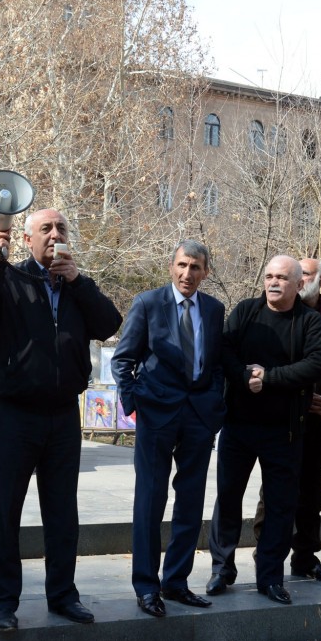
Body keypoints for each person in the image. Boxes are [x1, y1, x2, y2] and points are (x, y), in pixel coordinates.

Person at [0, 208, 122, 631]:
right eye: (45, 229)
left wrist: (78, 282)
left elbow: (109, 323)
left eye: (61, 228)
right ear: (28, 239)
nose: (54, 235)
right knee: (3, 509)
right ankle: (0, 602)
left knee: (63, 513)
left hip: (64, 414)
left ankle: (63, 595)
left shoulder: (76, 287)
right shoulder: (10, 280)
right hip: (16, 413)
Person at [205, 255, 321, 605]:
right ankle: (222, 569)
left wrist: (269, 378)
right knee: (228, 499)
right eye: (269, 276)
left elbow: (317, 364)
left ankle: (270, 577)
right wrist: (245, 377)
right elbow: (224, 351)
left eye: (282, 278)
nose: (273, 283)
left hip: (284, 432)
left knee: (280, 506)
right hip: (239, 426)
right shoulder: (245, 311)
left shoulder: (310, 322)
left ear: (299, 284)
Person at [112, 240, 226, 618]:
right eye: (181, 265)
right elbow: (123, 359)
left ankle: (176, 582)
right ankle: (146, 586)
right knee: (150, 501)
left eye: (195, 267)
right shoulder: (148, 303)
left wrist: (215, 406)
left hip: (198, 417)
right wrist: (135, 404)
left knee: (191, 502)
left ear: (206, 272)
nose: (187, 273)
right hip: (156, 414)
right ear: (171, 266)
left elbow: (216, 363)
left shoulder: (214, 309)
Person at [250, 258, 321, 584]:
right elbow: (277, 364)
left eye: (306, 273)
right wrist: (305, 398)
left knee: (313, 493)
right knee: (275, 492)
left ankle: (305, 558)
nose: (299, 278)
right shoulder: (281, 313)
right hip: (287, 417)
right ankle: (264, 558)